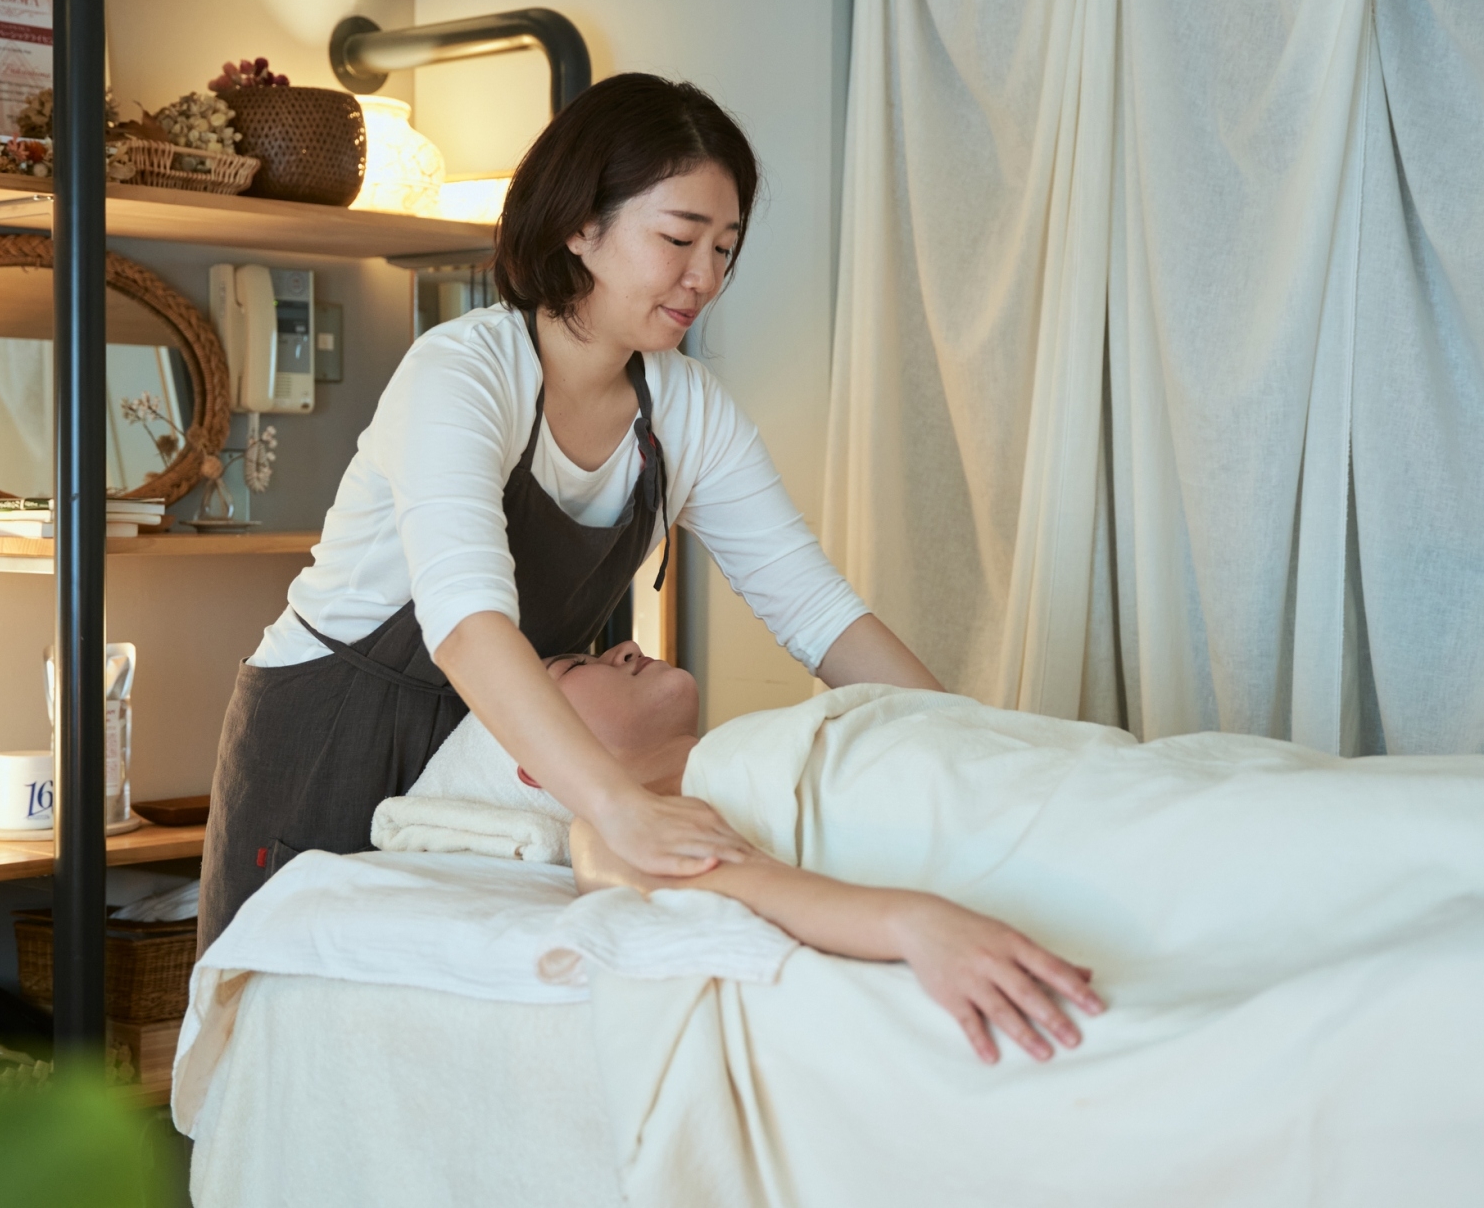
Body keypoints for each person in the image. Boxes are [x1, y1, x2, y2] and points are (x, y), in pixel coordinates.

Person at [200, 74, 941, 951]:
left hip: (503, 751)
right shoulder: (462, 373)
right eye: (679, 238)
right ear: (581, 226)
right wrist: (620, 807)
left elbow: (819, 615)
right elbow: (468, 624)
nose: (705, 276)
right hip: (332, 732)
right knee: (286, 997)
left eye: (726, 248)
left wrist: (975, 744)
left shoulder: (688, 410)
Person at [546, 640, 1108, 1064]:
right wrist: (912, 924)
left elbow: (953, 727)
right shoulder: (607, 825)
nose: (626, 648)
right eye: (575, 666)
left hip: (1075, 776)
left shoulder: (751, 744)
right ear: (534, 765)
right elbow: (721, 881)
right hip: (1048, 843)